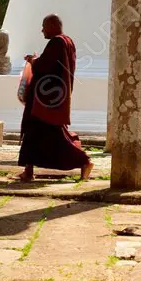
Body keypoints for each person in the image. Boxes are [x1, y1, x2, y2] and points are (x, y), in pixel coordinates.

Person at [16, 15, 93, 182]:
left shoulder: (57, 42)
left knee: (54, 137)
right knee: (33, 134)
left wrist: (32, 61)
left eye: (44, 26)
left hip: (45, 102)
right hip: (52, 98)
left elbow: (45, 66)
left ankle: (84, 161)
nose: (42, 30)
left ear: (52, 25)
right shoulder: (68, 42)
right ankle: (28, 170)